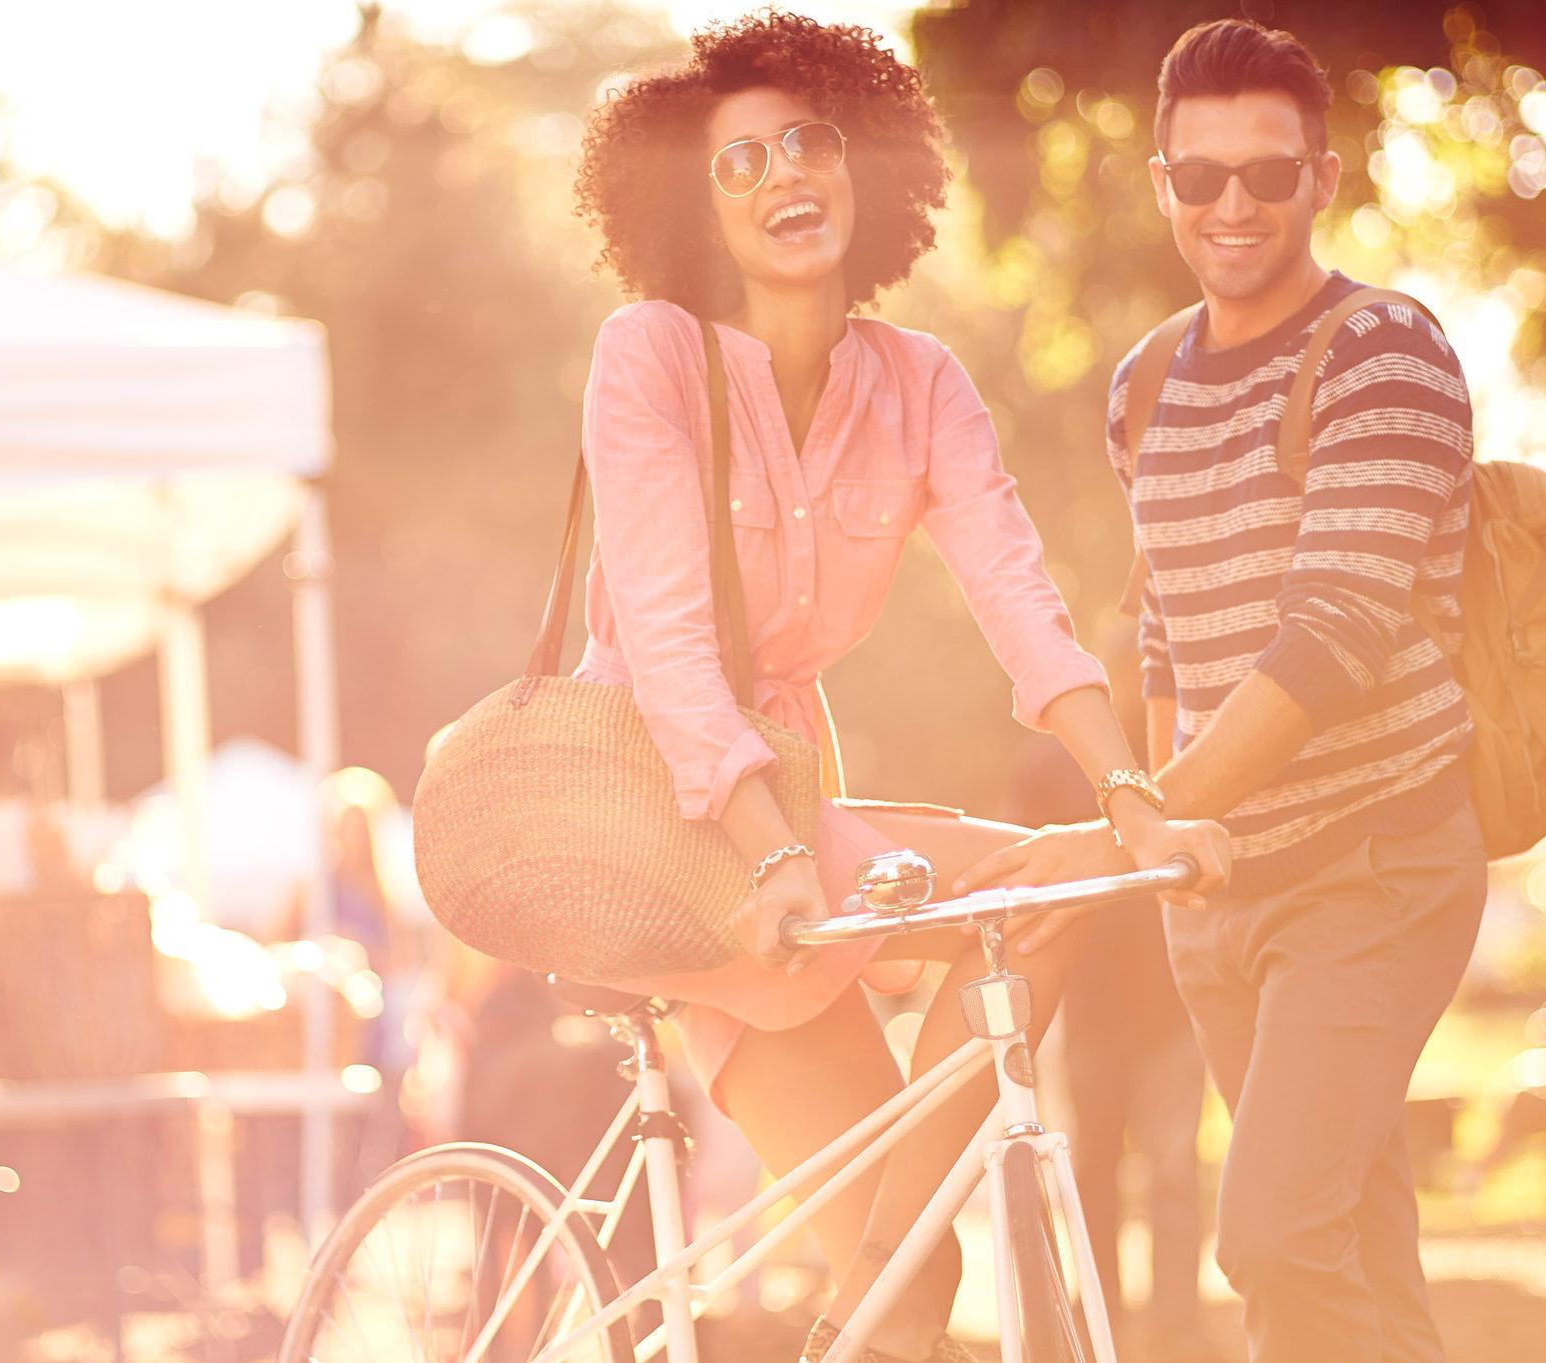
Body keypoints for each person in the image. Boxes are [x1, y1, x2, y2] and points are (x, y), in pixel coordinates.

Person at [567, 15, 1232, 1361]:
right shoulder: (652, 356)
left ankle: (855, 1312)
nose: (780, 174)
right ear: (692, 210)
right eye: (737, 162)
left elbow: (1025, 606)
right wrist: (764, 854)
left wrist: (1136, 796)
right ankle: (856, 1315)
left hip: (799, 816)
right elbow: (672, 644)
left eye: (805, 140)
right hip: (661, 819)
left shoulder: (920, 383)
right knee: (902, 1306)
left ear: (862, 159)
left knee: (911, 1283)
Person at [970, 20, 1486, 1363]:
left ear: (1322, 176)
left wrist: (1137, 816)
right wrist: (1165, 852)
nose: (1234, 206)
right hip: (1221, 893)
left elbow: (1332, 642)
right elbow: (1161, 637)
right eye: (1202, 179)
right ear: (1163, 184)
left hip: (1374, 868)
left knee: (1270, 1236)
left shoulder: (1386, 352)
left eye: (1268, 174)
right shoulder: (1145, 385)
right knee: (1356, 1245)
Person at [1004, 625, 1208, 1361]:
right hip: (1089, 1009)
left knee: (1174, 1172)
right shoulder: (1043, 771)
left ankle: (1178, 1325)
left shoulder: (1181, 758)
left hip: (1174, 1003)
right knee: (1091, 1171)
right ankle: (1105, 1328)